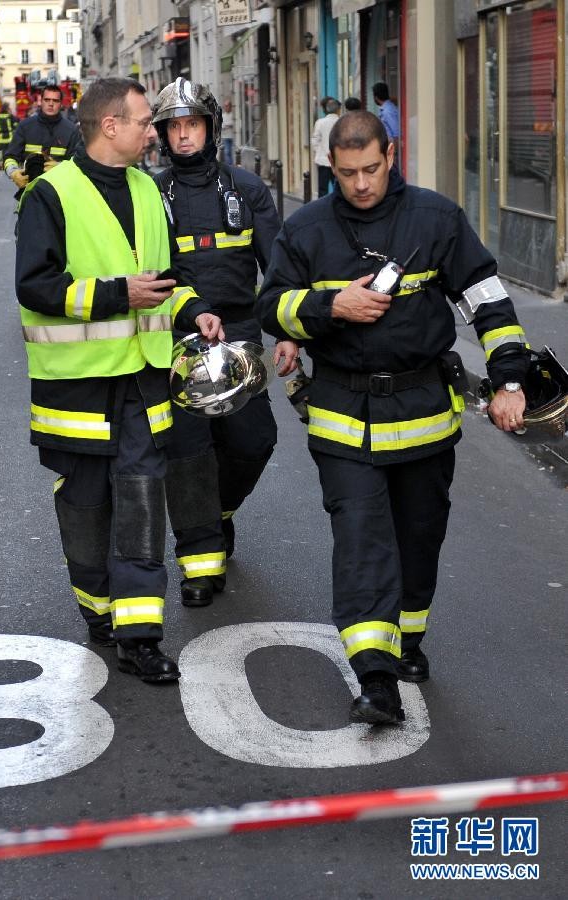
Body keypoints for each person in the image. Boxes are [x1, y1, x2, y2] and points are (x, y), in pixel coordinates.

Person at [257, 111, 529, 725]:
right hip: (340, 417)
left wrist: (511, 378)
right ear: (331, 166)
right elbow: (272, 306)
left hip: (425, 414)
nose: (360, 184)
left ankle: (407, 640)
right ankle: (375, 677)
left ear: (391, 154)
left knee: (418, 536)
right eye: (346, 172)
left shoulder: (435, 218)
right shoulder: (307, 229)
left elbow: (487, 299)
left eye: (371, 169)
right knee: (361, 542)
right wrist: (332, 306)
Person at [15, 77, 221, 682]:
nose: (153, 133)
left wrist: (192, 309)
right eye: (143, 122)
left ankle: (139, 636)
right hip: (76, 391)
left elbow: (163, 278)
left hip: (142, 382)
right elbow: (35, 287)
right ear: (110, 126)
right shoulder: (51, 195)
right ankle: (98, 612)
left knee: (139, 502)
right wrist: (116, 295)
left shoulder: (149, 190)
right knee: (85, 506)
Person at [151, 77, 299, 608]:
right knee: (189, 451)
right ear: (163, 136)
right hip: (178, 335)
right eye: (174, 127)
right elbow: (151, 272)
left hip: (238, 333)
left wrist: (285, 331)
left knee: (253, 440)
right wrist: (190, 310)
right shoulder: (152, 195)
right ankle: (200, 562)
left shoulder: (247, 189)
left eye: (192, 124)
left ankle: (219, 513)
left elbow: (278, 266)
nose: (184, 135)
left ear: (210, 128)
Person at [3, 84, 81, 196]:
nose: (51, 104)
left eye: (55, 100)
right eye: (47, 100)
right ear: (41, 101)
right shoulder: (25, 127)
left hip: (60, 193)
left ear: (60, 104)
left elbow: (78, 163)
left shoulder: (71, 130)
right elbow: (10, 156)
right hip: (30, 193)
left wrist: (60, 168)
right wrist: (13, 173)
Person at [311, 97, 340, 198]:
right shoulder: (341, 121)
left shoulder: (320, 122)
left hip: (323, 160)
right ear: (337, 109)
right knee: (338, 187)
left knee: (322, 189)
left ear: (326, 109)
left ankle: (322, 210)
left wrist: (319, 151)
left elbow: (315, 140)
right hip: (337, 160)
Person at [372, 82, 399, 152]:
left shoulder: (388, 111)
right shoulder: (386, 109)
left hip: (392, 150)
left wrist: (394, 154)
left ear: (376, 97)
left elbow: (396, 135)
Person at [221, 99, 234, 165]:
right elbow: (221, 126)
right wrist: (228, 125)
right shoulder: (223, 116)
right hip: (225, 137)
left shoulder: (233, 115)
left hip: (233, 136)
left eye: (228, 106)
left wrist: (227, 125)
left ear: (230, 106)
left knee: (233, 153)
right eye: (225, 106)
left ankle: (232, 166)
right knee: (227, 152)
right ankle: (230, 166)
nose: (226, 107)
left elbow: (235, 124)